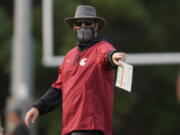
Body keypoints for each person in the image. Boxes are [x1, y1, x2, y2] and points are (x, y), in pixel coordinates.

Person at [24, 5, 126, 135]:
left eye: (87, 23)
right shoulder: (70, 55)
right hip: (69, 127)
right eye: (79, 23)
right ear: (74, 27)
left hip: (91, 126)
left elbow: (106, 55)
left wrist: (113, 56)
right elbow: (58, 88)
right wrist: (38, 107)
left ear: (95, 26)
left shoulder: (102, 47)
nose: (83, 26)